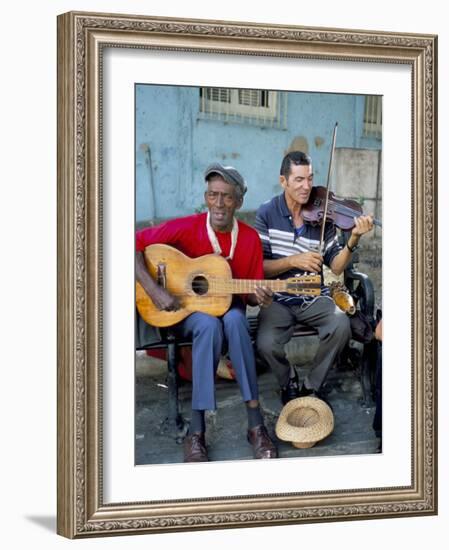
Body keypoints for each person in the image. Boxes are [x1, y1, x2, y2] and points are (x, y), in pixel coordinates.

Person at [136, 163, 277, 462]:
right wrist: (154, 289)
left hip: (230, 308)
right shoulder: (188, 226)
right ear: (206, 197)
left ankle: (255, 425)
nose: (219, 203)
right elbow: (132, 244)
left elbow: (250, 297)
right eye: (213, 195)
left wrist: (261, 296)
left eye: (227, 197)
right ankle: (196, 432)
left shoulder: (249, 238)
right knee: (208, 326)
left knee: (237, 320)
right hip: (184, 312)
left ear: (238, 202)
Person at [254, 151, 374, 405]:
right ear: (283, 181)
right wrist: (292, 261)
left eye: (310, 178)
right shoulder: (266, 213)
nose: (307, 186)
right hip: (278, 298)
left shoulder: (323, 217)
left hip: (313, 296)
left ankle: (311, 385)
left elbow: (337, 266)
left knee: (340, 324)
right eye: (298, 180)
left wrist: (353, 238)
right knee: (265, 343)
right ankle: (289, 380)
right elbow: (260, 267)